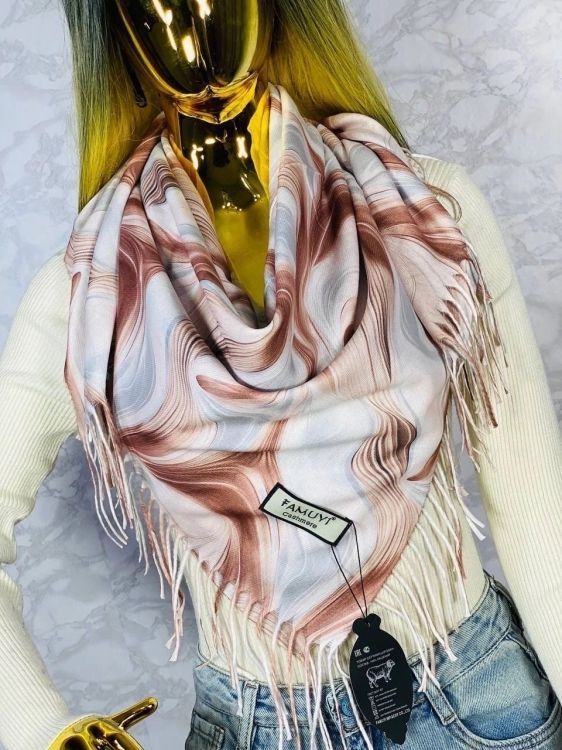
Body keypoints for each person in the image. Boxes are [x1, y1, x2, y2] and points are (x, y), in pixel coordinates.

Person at [0, 1, 561, 749]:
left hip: (474, 697)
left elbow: (531, 496)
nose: (194, 30)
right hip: (258, 725)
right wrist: (44, 730)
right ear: (116, 29)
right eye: (155, 5)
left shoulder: (423, 216)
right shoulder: (93, 296)